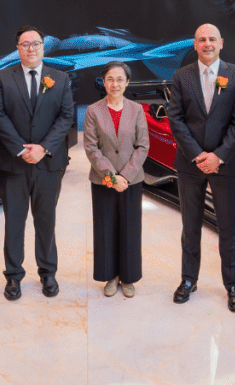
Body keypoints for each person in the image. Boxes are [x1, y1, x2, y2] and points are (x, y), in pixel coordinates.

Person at [0, 25, 75, 301]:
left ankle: (48, 272)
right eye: (25, 44)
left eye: (36, 43)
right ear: (18, 49)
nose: (31, 48)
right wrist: (20, 149)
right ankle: (13, 276)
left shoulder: (60, 78)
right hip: (12, 163)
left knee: (46, 221)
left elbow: (65, 117)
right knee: (14, 221)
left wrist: (43, 148)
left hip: (48, 163)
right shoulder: (2, 78)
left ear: (43, 47)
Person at [166, 24, 235, 312]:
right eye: (202, 39)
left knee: (228, 230)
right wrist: (198, 154)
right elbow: (176, 119)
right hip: (190, 165)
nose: (207, 44)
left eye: (212, 39)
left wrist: (218, 156)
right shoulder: (181, 76)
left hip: (225, 165)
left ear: (221, 42)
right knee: (190, 227)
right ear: (194, 44)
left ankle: (233, 286)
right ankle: (188, 279)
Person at [83, 61, 149, 298]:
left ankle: (128, 277)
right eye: (110, 79)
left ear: (127, 82)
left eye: (120, 79)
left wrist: (125, 176)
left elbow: (143, 146)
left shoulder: (137, 110)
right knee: (105, 229)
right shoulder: (93, 110)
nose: (115, 84)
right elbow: (91, 148)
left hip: (132, 180)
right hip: (103, 180)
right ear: (103, 82)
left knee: (130, 228)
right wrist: (112, 177)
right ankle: (110, 276)